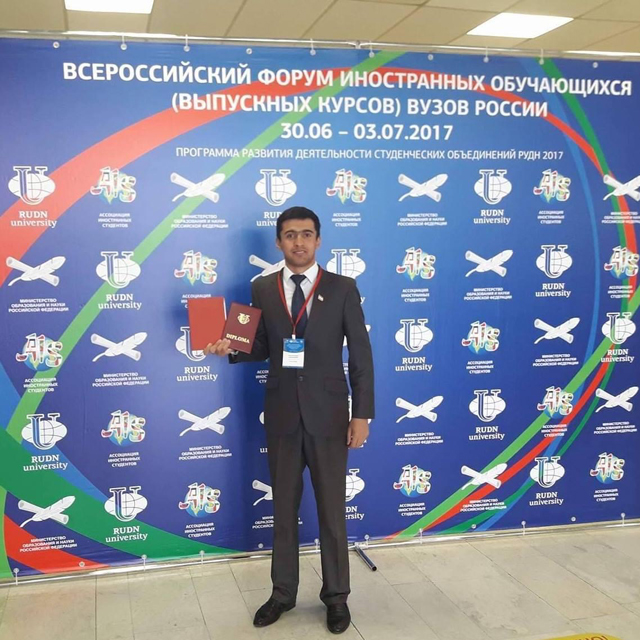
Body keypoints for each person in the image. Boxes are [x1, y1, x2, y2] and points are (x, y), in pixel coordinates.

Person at [206, 206, 374, 634]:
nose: (299, 241)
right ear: (279, 242)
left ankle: (337, 597)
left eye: (306, 234)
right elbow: (261, 345)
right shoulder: (262, 287)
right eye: (290, 234)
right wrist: (232, 347)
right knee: (283, 510)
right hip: (281, 415)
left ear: (319, 240)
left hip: (330, 416)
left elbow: (361, 355)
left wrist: (362, 414)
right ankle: (282, 594)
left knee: (332, 512)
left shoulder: (342, 288)